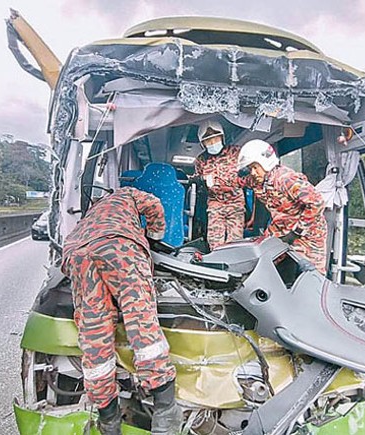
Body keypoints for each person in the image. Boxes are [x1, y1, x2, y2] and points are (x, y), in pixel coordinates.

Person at [61, 186, 182, 435]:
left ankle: (108, 419)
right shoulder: (127, 193)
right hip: (119, 245)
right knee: (141, 322)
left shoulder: (92, 211)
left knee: (94, 334)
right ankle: (165, 410)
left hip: (77, 254)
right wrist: (154, 237)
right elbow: (155, 204)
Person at [236, 139, 328, 274]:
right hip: (281, 227)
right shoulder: (256, 180)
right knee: (263, 260)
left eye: (255, 167)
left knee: (312, 274)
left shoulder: (285, 179)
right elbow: (236, 181)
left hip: (308, 232)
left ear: (266, 162)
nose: (253, 172)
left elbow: (317, 202)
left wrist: (297, 232)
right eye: (250, 168)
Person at [193, 120, 245, 250]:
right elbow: (198, 177)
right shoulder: (201, 160)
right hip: (215, 204)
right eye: (208, 141)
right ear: (202, 144)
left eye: (215, 138)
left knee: (235, 243)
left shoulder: (236, 152)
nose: (212, 143)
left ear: (222, 137)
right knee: (215, 242)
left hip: (235, 203)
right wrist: (199, 180)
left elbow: (248, 175)